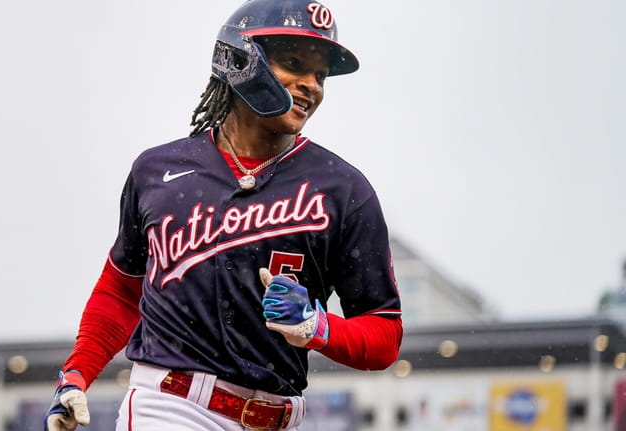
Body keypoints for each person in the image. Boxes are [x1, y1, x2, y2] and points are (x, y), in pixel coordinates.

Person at [44, 0, 403, 430]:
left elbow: (384, 332)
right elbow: (122, 290)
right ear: (239, 60)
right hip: (171, 405)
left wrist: (319, 326)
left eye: (321, 76)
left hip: (279, 417)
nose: (312, 86)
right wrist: (78, 371)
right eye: (294, 64)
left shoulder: (343, 189)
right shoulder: (159, 171)